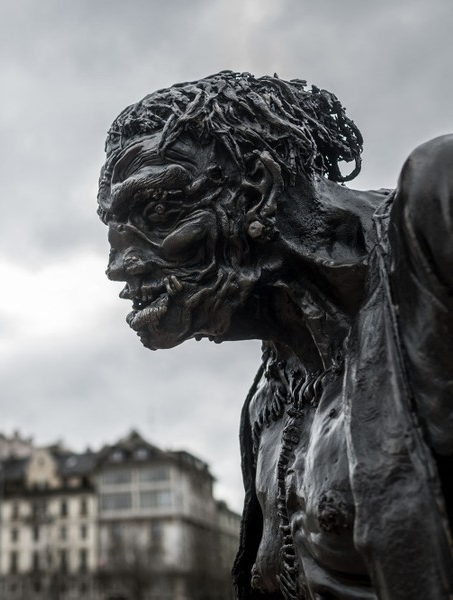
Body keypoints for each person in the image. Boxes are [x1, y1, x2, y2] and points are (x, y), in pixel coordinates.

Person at [97, 71, 453, 598]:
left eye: (154, 212)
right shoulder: (269, 399)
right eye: (115, 230)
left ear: (257, 188)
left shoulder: (434, 212)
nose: (117, 266)